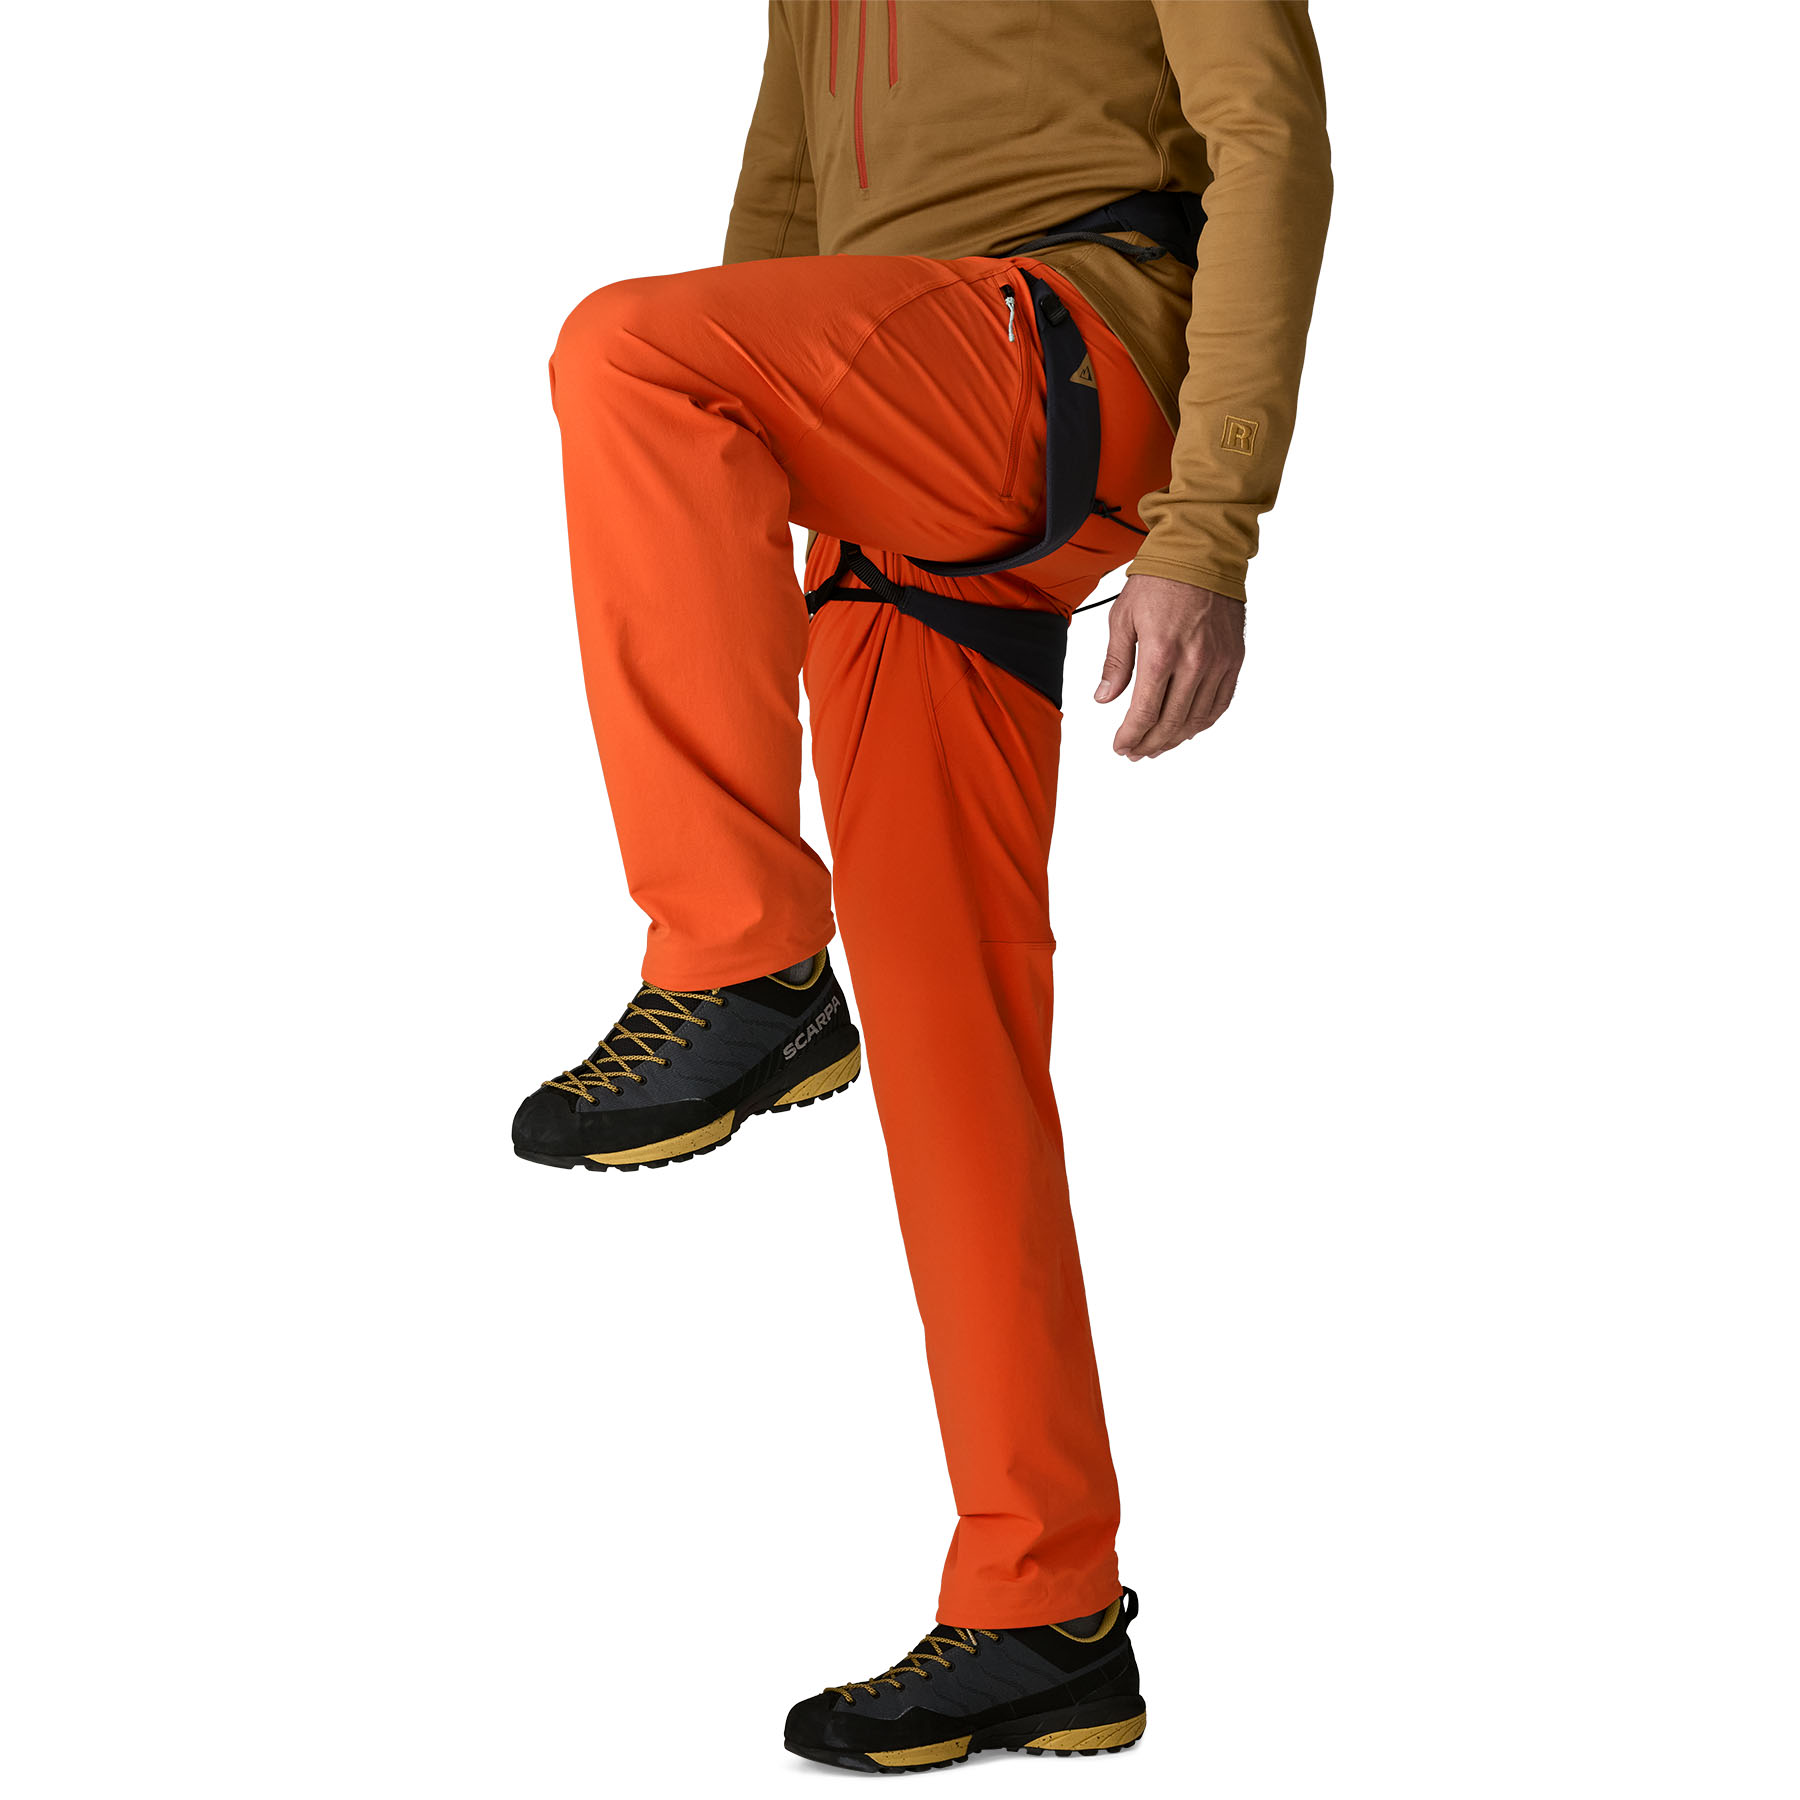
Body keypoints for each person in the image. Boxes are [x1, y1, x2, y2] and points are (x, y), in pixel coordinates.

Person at [512, 0, 1330, 1772]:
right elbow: (780, 221)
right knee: (955, 1041)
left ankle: (740, 957)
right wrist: (757, 501)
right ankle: (1046, 1612)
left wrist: (1210, 528)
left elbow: (1271, 147)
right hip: (903, 467)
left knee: (624, 350)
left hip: (1065, 350)